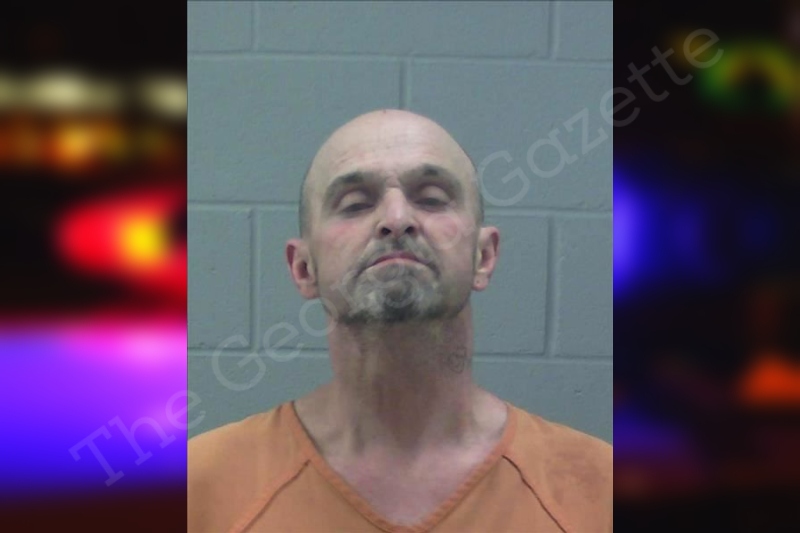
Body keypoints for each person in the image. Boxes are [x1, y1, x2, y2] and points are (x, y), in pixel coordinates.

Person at [188, 109, 612, 533]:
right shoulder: (200, 486)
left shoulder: (600, 489)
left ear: (483, 257)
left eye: (431, 198)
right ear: (303, 268)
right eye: (355, 204)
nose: (395, 219)